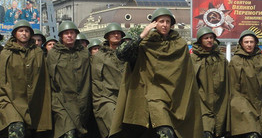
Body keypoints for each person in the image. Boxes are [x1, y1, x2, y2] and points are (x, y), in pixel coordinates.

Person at [110, 8, 202, 138]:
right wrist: (142, 34)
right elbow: (121, 54)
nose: (164, 25)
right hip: (152, 95)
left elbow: (186, 75)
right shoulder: (145, 44)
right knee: (166, 133)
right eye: (161, 21)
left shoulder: (180, 44)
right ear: (154, 23)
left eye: (167, 22)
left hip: (175, 98)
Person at [0, 19, 52, 138]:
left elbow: (43, 80)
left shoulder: (37, 52)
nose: (24, 33)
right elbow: (0, 81)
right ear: (15, 34)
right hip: (10, 100)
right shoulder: (6, 53)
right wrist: (2, 99)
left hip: (32, 101)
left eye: (27, 31)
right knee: (17, 129)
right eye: (21, 31)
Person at [229, 29, 262, 138]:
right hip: (244, 100)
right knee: (250, 131)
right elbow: (233, 85)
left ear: (255, 43)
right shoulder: (235, 60)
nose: (249, 45)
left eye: (251, 42)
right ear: (241, 44)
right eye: (246, 42)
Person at [47, 21, 91, 138]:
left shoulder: (84, 53)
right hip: (61, 100)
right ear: (61, 36)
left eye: (72, 33)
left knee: (79, 132)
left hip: (81, 100)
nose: (69, 35)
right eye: (66, 33)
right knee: (68, 132)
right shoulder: (53, 54)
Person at [191, 26, 230, 138]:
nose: (209, 40)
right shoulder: (194, 58)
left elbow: (228, 78)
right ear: (200, 40)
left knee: (218, 131)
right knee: (206, 131)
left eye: (211, 37)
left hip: (220, 103)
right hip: (202, 102)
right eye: (206, 38)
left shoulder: (220, 58)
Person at [91, 23, 126, 137]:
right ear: (107, 36)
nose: (116, 35)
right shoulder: (100, 56)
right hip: (107, 97)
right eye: (113, 33)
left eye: (118, 33)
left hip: (126, 95)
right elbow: (96, 80)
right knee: (114, 128)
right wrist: (99, 101)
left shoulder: (127, 52)